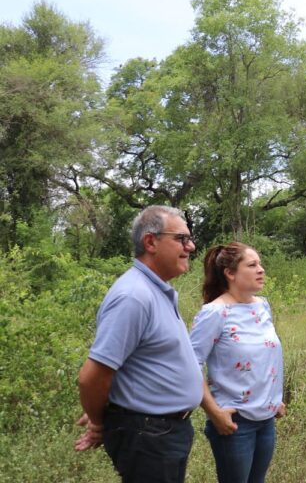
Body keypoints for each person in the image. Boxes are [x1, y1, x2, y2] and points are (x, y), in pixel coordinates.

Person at [75, 205, 204, 483]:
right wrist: (98, 421)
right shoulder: (133, 297)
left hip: (164, 433)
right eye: (181, 239)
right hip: (149, 436)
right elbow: (91, 377)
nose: (191, 246)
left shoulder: (155, 290)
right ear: (151, 242)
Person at [189, 242, 286, 483]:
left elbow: (265, 358)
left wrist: (274, 399)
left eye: (260, 264)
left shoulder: (262, 305)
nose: (261, 269)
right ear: (230, 273)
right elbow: (190, 364)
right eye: (252, 265)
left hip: (266, 419)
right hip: (234, 422)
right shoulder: (215, 312)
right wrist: (214, 412)